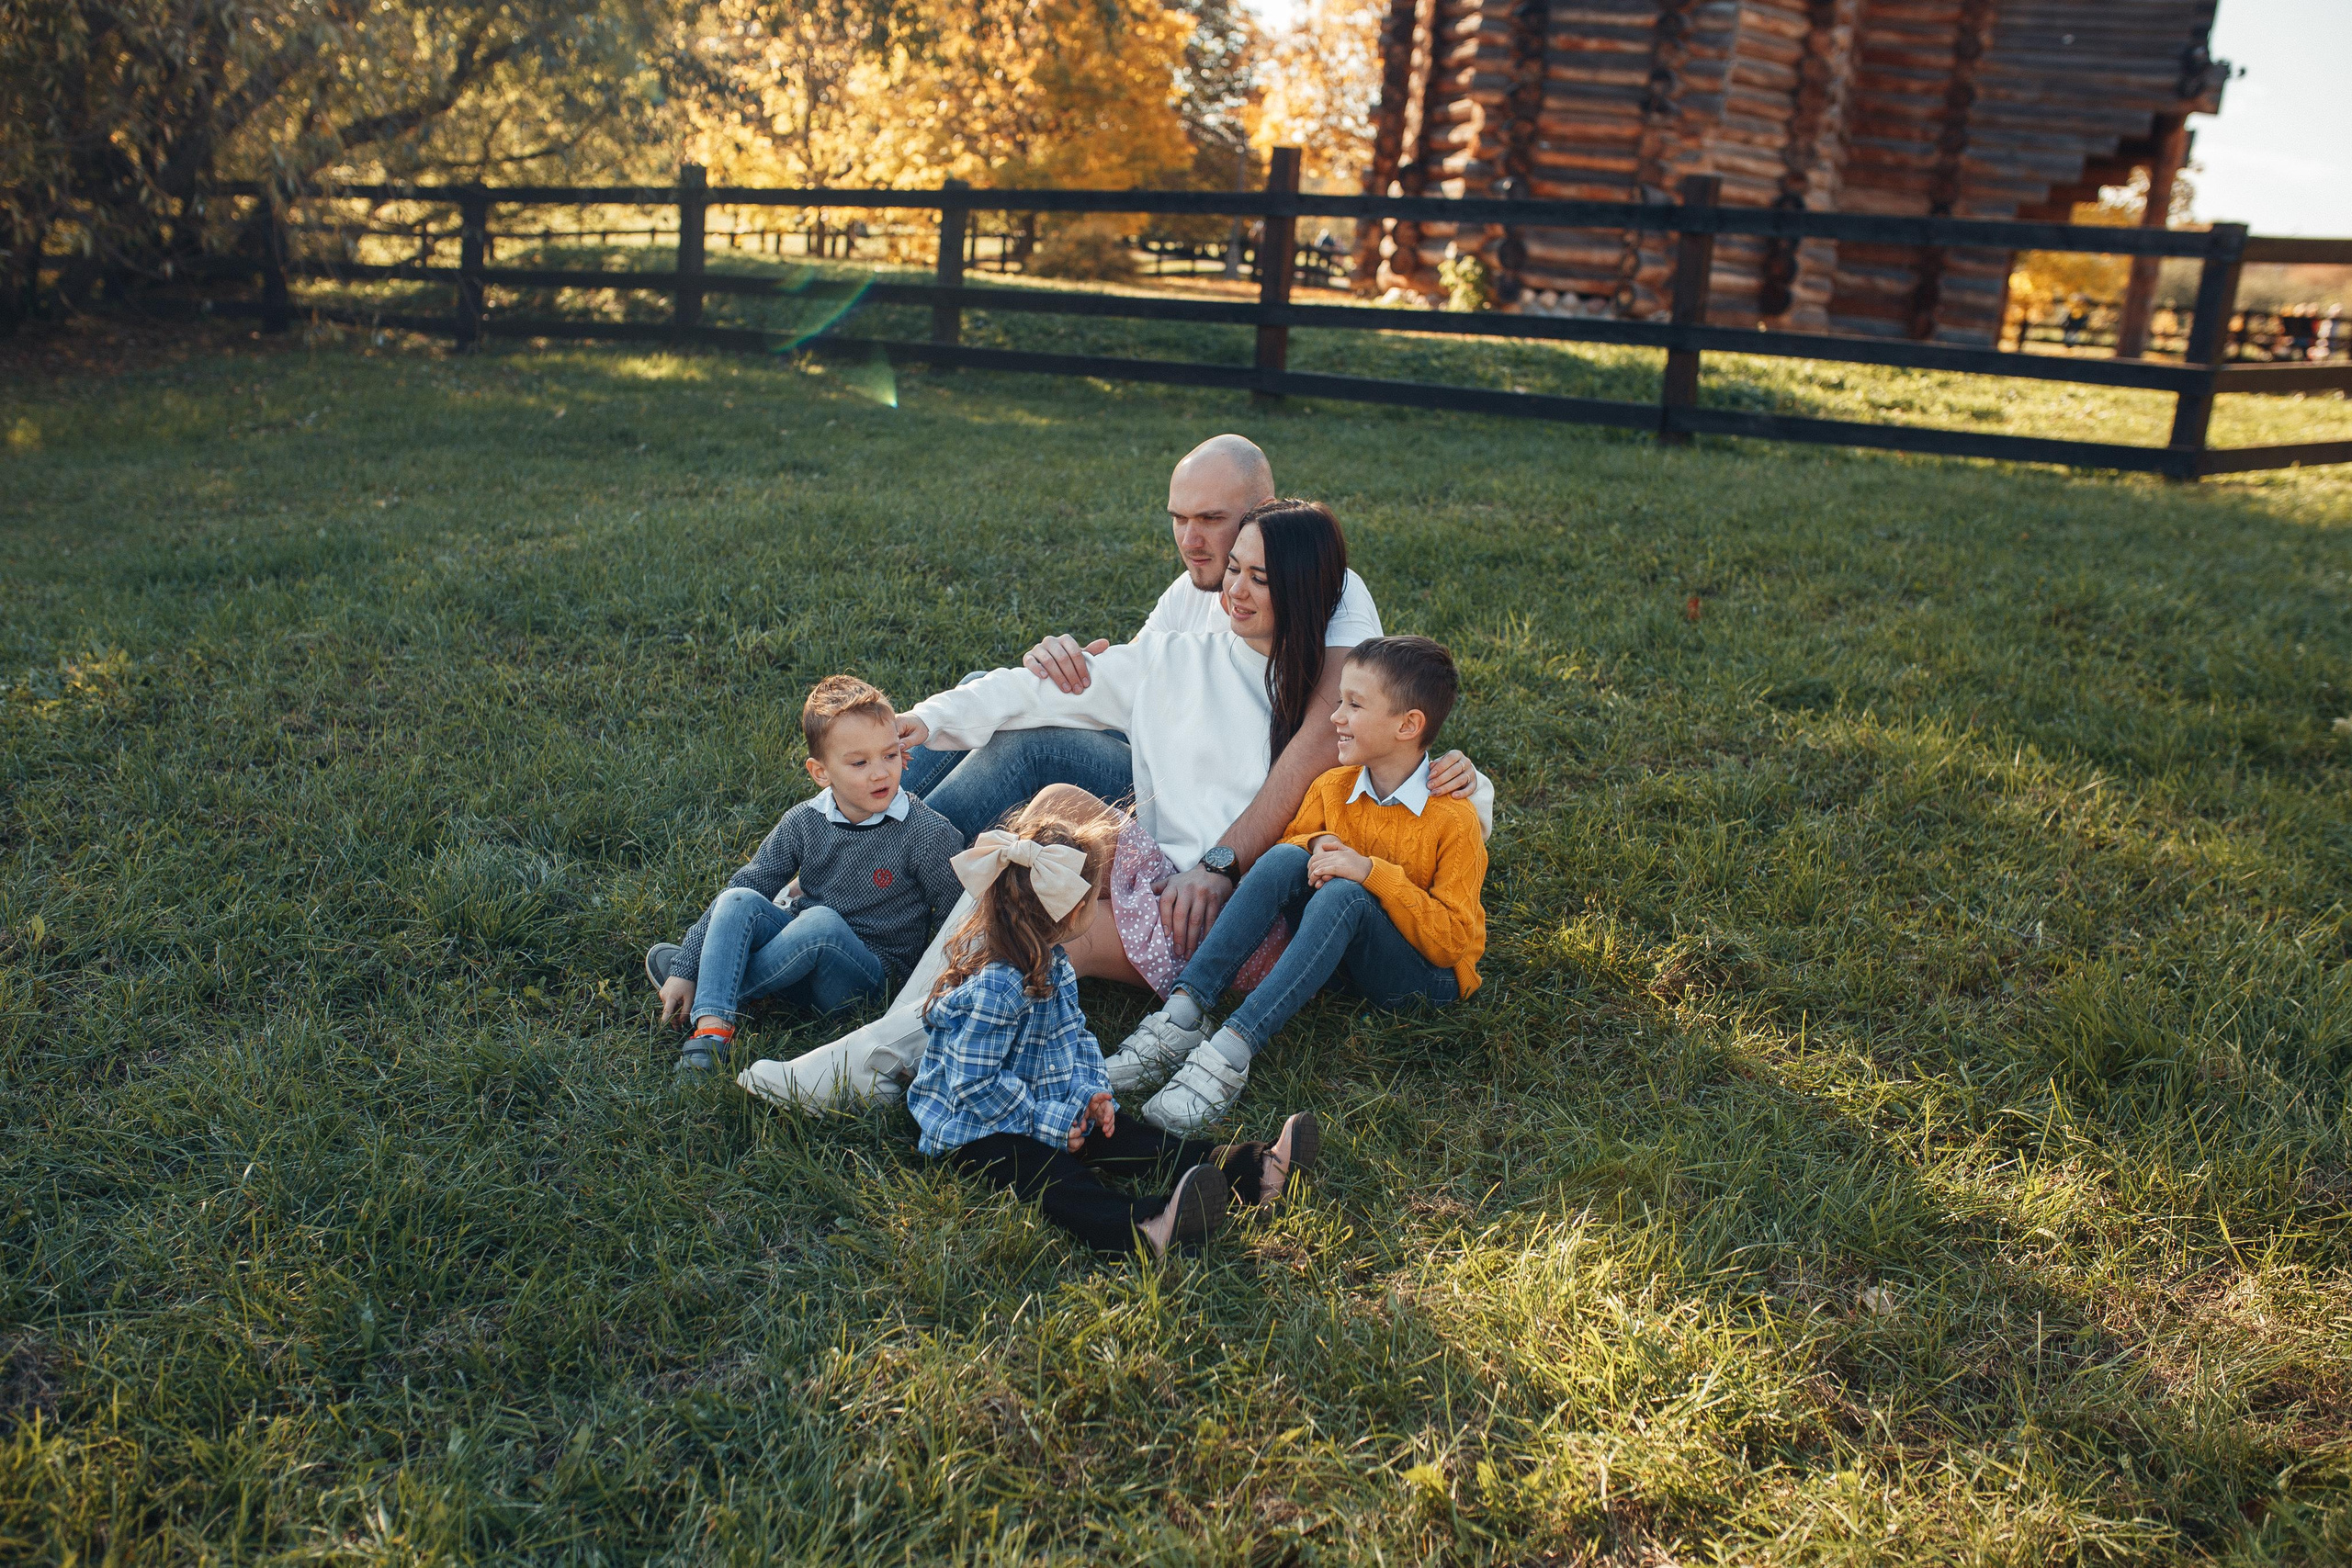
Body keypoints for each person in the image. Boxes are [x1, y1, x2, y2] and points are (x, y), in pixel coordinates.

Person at [735, 500, 1493, 1109]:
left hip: (1244, 917)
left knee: (1044, 922)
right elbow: (1038, 691)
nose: (1234, 589)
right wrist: (927, 721)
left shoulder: (1341, 703)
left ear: (1303, 588)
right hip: (1164, 874)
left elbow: (1414, 779)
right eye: (1233, 569)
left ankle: (883, 1052)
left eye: (1259, 578)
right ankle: (893, 1035)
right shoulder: (1177, 658)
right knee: (1054, 809)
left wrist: (1470, 783)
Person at [903, 434, 1479, 957]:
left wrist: (1219, 863)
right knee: (986, 688)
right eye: (1178, 518)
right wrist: (1067, 668)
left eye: (1210, 519)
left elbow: (1326, 739)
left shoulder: (1331, 592)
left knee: (1033, 747)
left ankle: (899, 880)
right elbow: (1148, 684)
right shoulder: (1193, 590)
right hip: (1173, 774)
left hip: (1239, 817)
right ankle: (868, 820)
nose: (1189, 540)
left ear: (1263, 514)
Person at [908, 787, 1322, 1257]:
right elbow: (974, 1084)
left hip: (1038, 1097)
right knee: (1050, 1174)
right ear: (1072, 913)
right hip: (974, 1129)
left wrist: (1090, 1093)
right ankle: (1145, 1228)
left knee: (1119, 1133)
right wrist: (1049, 1122)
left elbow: (1074, 1037)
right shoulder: (997, 988)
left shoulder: (1056, 965)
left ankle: (1251, 1169)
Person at [1112, 636, 1487, 1132]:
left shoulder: (1453, 820)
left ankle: (1229, 1053)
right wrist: (1315, 844)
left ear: (1407, 725)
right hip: (1341, 958)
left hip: (1422, 977)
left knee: (1346, 894)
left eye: (1354, 705)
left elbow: (1452, 943)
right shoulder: (1333, 786)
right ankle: (1184, 1012)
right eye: (1340, 701)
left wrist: (1371, 873)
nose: (1336, 716)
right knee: (1286, 856)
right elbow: (1292, 843)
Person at [644, 675, 963, 1075]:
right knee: (738, 900)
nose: (880, 773)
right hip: (796, 962)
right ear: (820, 772)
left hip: (866, 979)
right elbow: (748, 882)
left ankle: (719, 984)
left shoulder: (927, 833)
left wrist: (935, 999)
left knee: (821, 922)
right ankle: (711, 1032)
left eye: (890, 755)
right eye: (860, 763)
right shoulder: (803, 821)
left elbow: (957, 921)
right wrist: (685, 965)